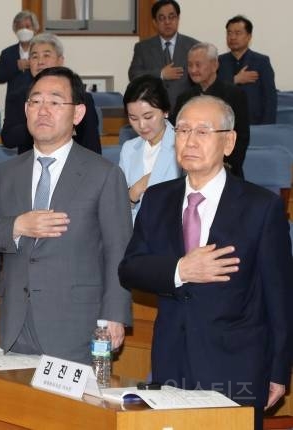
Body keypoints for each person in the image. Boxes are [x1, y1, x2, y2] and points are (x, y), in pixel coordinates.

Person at [118, 95, 293, 430]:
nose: (190, 141)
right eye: (182, 131)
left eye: (202, 131)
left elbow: (279, 297)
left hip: (236, 364)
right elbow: (131, 267)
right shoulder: (157, 199)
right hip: (170, 359)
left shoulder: (260, 207)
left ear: (228, 142)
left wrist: (278, 369)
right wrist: (180, 270)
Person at [0, 66, 132, 364]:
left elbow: (118, 250)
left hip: (76, 324)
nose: (42, 110)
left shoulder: (104, 174)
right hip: (16, 321)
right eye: (35, 101)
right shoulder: (7, 172)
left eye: (55, 102)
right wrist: (18, 225)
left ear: (78, 114)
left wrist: (114, 315)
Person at [0, 32, 101, 155]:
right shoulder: (18, 96)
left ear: (60, 60)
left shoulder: (80, 98)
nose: (40, 61)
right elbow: (8, 139)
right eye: (34, 56)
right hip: (31, 165)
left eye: (46, 55)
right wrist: (38, 122)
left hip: (74, 167)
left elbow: (92, 146)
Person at [172, 42, 249, 178]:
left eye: (198, 64)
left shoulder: (234, 94)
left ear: (215, 65)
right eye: (190, 65)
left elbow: (241, 136)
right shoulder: (184, 98)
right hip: (190, 169)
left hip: (226, 170)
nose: (193, 70)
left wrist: (224, 165)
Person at [119, 75, 181, 222]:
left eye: (148, 117)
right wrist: (133, 193)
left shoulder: (183, 145)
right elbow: (117, 206)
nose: (141, 125)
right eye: (133, 118)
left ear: (165, 111)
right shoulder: (129, 149)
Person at [128, 0, 198, 111]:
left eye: (171, 17)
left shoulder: (193, 46)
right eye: (162, 18)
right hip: (153, 111)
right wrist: (161, 74)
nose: (167, 22)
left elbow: (201, 78)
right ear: (155, 22)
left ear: (178, 19)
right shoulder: (142, 47)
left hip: (186, 110)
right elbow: (134, 75)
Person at [218, 15, 277, 125]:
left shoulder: (261, 61)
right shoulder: (218, 62)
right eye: (229, 33)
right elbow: (212, 91)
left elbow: (270, 98)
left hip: (255, 124)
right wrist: (234, 80)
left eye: (238, 33)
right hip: (225, 124)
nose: (232, 37)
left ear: (249, 36)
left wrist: (267, 127)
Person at [0, 10, 40, 117]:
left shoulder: (41, 52)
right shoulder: (7, 53)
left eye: (28, 26)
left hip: (37, 103)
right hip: (14, 107)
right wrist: (16, 67)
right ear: (15, 30)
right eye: (20, 27)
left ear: (35, 28)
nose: (24, 30)